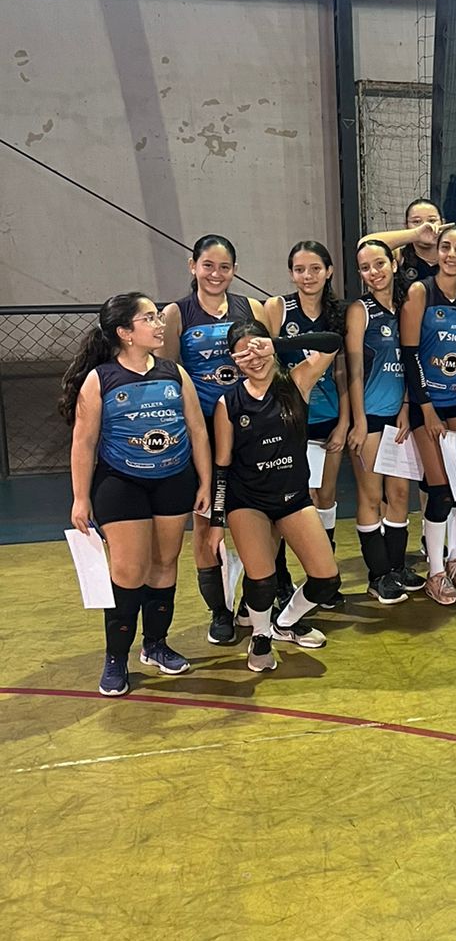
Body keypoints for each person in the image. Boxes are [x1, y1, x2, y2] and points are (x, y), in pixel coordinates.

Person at [62, 293, 212, 696]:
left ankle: (156, 644)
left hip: (173, 479)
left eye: (158, 316)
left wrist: (205, 481)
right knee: (129, 572)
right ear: (125, 332)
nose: (159, 324)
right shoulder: (101, 379)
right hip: (121, 483)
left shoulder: (174, 373)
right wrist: (80, 498)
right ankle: (116, 657)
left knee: (164, 564)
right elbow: (83, 442)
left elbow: (197, 430)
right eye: (149, 318)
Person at [211, 323, 342, 672]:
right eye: (244, 353)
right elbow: (222, 466)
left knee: (326, 579)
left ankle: (284, 623)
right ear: (233, 360)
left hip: (293, 497)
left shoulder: (296, 382)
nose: (253, 358)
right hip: (248, 500)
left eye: (258, 349)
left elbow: (332, 342)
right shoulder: (229, 403)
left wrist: (277, 344)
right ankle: (260, 635)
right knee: (262, 579)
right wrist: (216, 522)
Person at [161, 235, 268, 645]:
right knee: (206, 518)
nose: (216, 274)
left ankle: (254, 599)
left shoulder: (252, 308)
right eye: (208, 265)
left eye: (224, 267)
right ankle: (219, 610)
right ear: (193, 266)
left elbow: (269, 365)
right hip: (203, 430)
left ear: (234, 270)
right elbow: (169, 376)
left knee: (257, 512)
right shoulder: (178, 313)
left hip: (248, 426)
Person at [263, 240, 348, 608]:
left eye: (315, 268)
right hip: (288, 422)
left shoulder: (339, 313)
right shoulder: (277, 308)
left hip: (327, 418)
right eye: (300, 269)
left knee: (325, 497)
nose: (307, 276)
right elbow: (265, 362)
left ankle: (324, 580)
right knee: (288, 502)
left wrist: (345, 421)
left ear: (329, 271)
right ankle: (280, 581)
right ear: (291, 274)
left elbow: (343, 371)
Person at [401, 224, 456, 605]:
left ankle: (455, 559)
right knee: (439, 488)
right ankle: (435, 572)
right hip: (428, 403)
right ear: (437, 252)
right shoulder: (420, 291)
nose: (452, 254)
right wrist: (426, 409)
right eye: (446, 247)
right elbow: (410, 354)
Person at [345, 239, 413, 604]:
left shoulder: (406, 308)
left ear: (394, 264)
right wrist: (358, 420)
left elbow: (411, 362)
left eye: (379, 264)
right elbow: (353, 370)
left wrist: (406, 406)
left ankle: (397, 568)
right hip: (369, 417)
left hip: (398, 418)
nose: (374, 272)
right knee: (371, 496)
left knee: (399, 494)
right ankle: (378, 575)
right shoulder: (361, 310)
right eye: (365, 267)